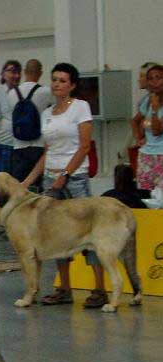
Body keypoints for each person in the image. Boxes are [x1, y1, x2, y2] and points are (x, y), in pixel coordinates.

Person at [23, 62, 99, 307]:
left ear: (72, 85)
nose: (57, 84)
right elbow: (48, 151)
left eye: (63, 80)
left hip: (74, 178)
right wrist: (28, 180)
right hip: (50, 177)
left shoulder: (80, 108)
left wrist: (66, 173)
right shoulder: (46, 113)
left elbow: (84, 146)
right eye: (54, 79)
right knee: (55, 235)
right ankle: (63, 287)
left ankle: (99, 289)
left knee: (89, 233)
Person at [83, 164, 147, 308]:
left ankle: (103, 291)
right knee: (129, 259)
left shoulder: (107, 195)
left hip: (110, 229)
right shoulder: (140, 195)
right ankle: (137, 291)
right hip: (126, 225)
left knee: (96, 251)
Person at [7, 59, 53, 185]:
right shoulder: (46, 92)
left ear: (24, 72)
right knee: (38, 189)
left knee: (19, 188)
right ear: (40, 73)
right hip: (39, 146)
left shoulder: (11, 93)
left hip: (18, 147)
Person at [131, 64, 163, 194]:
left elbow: (156, 131)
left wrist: (155, 111)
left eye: (158, 78)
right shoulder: (148, 100)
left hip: (161, 154)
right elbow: (134, 120)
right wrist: (139, 138)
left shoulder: (154, 104)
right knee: (145, 194)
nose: (154, 82)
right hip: (146, 154)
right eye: (150, 78)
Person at [0, 60, 21, 173]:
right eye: (11, 71)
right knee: (3, 178)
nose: (15, 75)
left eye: (17, 72)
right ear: (3, 74)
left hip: (21, 143)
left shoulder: (22, 91)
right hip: (5, 142)